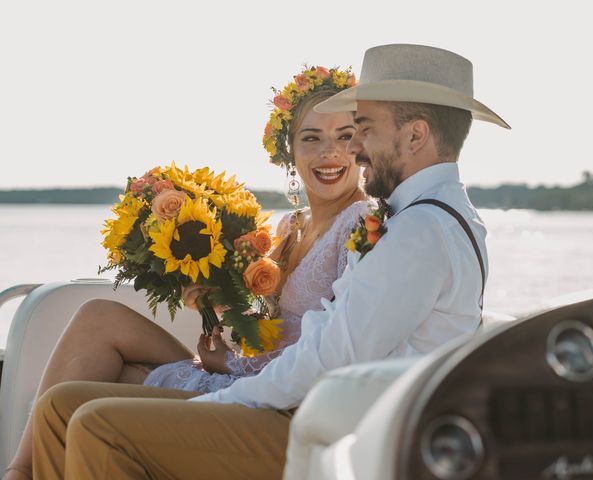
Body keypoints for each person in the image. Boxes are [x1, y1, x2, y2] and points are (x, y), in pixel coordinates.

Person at [27, 44, 510, 480]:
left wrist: (219, 400)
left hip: (336, 432)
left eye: (363, 129)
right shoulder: (420, 220)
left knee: (96, 422)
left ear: (416, 136)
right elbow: (330, 338)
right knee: (63, 406)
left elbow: (329, 363)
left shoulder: (419, 232)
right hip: (318, 410)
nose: (354, 148)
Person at [3, 66, 370, 480]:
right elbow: (279, 323)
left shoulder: (362, 224)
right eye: (311, 138)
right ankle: (19, 470)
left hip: (282, 399)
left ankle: (19, 473)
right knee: (98, 318)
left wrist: (231, 365)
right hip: (250, 371)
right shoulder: (290, 226)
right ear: (288, 150)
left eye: (345, 136)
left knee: (87, 396)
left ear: (365, 144)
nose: (330, 153)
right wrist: (217, 300)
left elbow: (336, 349)